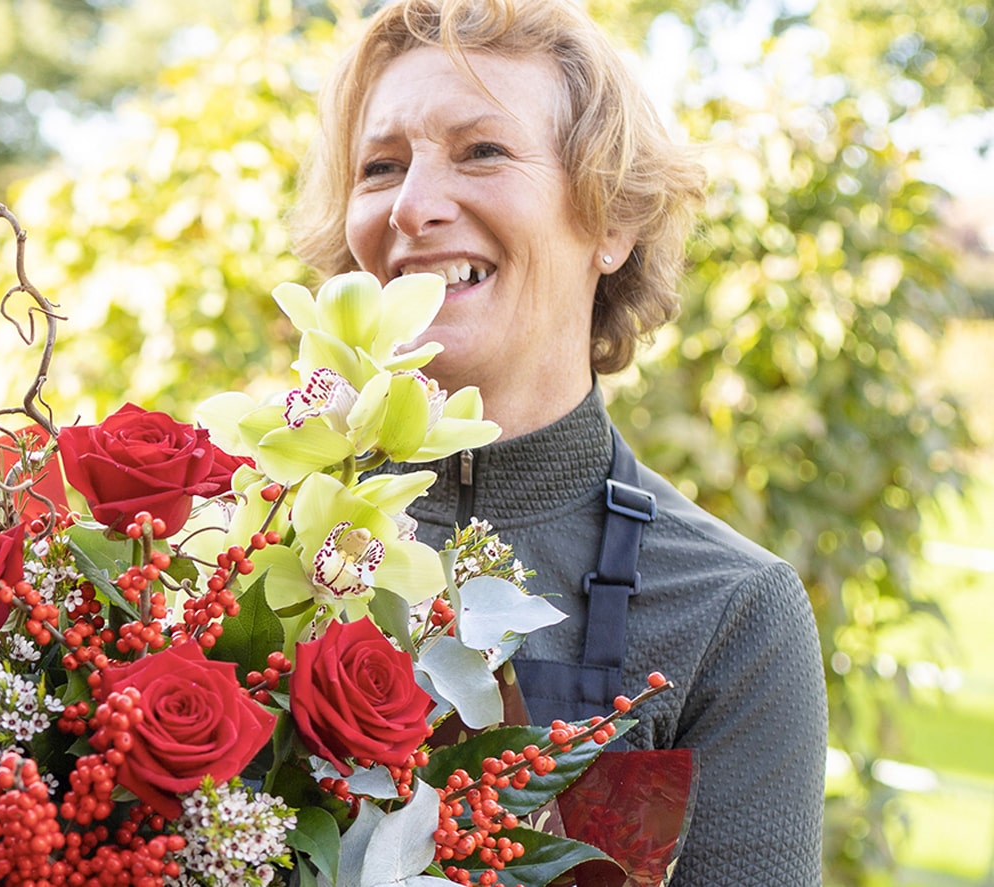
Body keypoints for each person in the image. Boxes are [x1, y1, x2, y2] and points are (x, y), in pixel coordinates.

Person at [290, 0, 827, 883]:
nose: (415, 205)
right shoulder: (250, 539)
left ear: (611, 221)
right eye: (381, 166)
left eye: (483, 150)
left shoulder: (730, 615)